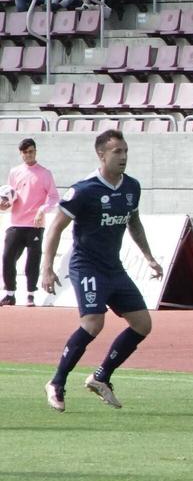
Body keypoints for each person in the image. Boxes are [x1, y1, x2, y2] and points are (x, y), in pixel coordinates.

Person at [38, 129, 163, 412]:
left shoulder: (132, 187)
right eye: (117, 152)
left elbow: (134, 222)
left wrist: (148, 257)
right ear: (101, 155)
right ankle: (56, 382)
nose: (123, 157)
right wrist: (46, 266)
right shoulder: (84, 190)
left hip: (114, 268)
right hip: (87, 266)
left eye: (125, 151)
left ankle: (101, 376)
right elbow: (56, 227)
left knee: (143, 324)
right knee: (94, 323)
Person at [3, 137, 57, 306]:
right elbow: (10, 195)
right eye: (25, 152)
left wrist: (43, 209)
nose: (28, 155)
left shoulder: (45, 173)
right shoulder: (14, 172)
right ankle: (10, 294)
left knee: (32, 261)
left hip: (35, 225)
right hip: (16, 223)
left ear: (35, 151)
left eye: (31, 151)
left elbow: (54, 197)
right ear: (21, 154)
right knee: (7, 258)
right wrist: (4, 205)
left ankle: (30, 294)